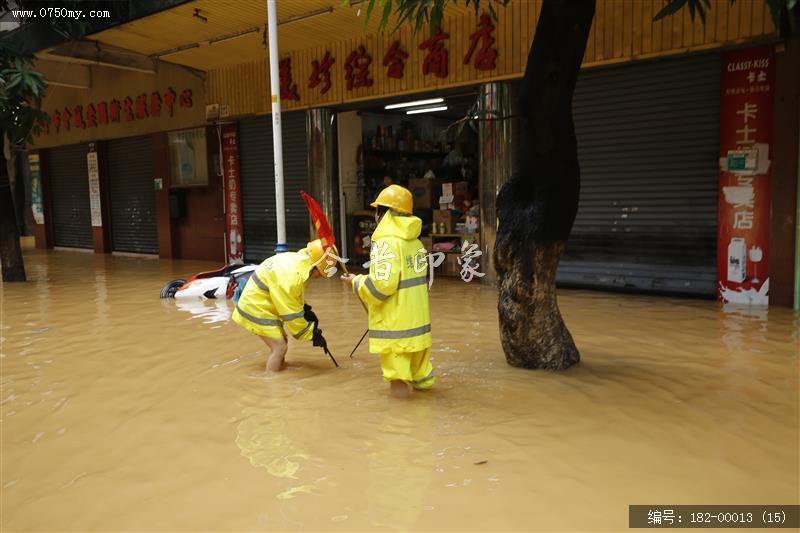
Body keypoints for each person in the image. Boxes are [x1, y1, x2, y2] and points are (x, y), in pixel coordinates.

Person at [341, 185, 434, 397]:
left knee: (398, 381)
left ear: (383, 213)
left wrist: (356, 282)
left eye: (377, 211)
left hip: (397, 331)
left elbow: (382, 287)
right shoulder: (416, 243)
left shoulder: (385, 244)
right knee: (422, 382)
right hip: (418, 328)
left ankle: (403, 427)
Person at [232, 240, 329, 372]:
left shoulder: (297, 262)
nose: (321, 277)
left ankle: (280, 370)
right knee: (279, 347)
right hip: (255, 307)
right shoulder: (292, 278)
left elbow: (293, 297)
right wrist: (311, 333)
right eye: (322, 274)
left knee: (283, 341)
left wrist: (304, 309)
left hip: (261, 303)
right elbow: (291, 316)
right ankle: (273, 384)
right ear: (317, 267)